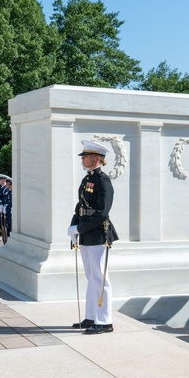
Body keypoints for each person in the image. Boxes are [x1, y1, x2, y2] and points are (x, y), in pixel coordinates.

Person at [70, 139, 119, 334]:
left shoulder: (102, 181)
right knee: (91, 277)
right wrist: (74, 226)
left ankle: (105, 321)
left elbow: (102, 212)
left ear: (96, 158)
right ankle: (92, 317)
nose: (82, 159)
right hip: (86, 233)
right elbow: (80, 206)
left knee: (100, 278)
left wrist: (80, 229)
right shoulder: (87, 179)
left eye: (86, 156)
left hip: (98, 234)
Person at [0, 174, 13, 241]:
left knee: (8, 226)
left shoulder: (5, 189)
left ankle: (7, 240)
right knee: (4, 226)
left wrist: (4, 206)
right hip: (3, 209)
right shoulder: (4, 189)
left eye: (0, 179)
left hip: (7, 210)